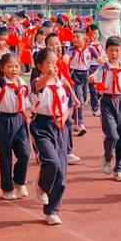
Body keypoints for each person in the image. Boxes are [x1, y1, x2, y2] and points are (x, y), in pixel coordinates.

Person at [29, 48, 70, 225]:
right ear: (40, 66)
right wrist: (47, 77)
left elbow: (69, 105)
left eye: (55, 62)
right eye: (49, 63)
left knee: (61, 172)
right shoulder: (37, 82)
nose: (53, 66)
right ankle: (41, 185)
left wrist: (64, 117)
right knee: (51, 162)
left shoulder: (62, 83)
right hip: (41, 125)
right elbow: (38, 87)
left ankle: (52, 211)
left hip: (59, 126)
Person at [89, 36, 121, 181]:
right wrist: (92, 78)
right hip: (107, 101)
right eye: (111, 50)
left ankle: (119, 168)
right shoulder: (103, 68)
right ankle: (107, 156)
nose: (114, 54)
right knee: (112, 135)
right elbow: (93, 77)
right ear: (106, 51)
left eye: (117, 50)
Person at [0, 53, 31, 200]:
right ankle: (7, 189)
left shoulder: (22, 83)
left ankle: (19, 181)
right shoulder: (1, 82)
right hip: (5, 121)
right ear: (2, 68)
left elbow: (27, 102)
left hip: (20, 119)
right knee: (5, 157)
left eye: (16, 66)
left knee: (25, 153)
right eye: (9, 66)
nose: (13, 69)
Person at [45, 33, 81, 165]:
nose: (57, 46)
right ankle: (48, 150)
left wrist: (74, 96)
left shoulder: (61, 62)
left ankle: (68, 151)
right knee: (54, 124)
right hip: (50, 99)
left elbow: (66, 80)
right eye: (53, 44)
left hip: (64, 97)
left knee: (68, 123)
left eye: (58, 43)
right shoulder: (45, 63)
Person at [66, 29, 101, 136]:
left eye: (77, 37)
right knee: (80, 99)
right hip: (74, 75)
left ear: (85, 39)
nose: (75, 39)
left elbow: (100, 61)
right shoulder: (71, 49)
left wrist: (95, 73)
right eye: (73, 37)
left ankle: (73, 117)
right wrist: (65, 58)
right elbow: (67, 56)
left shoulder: (91, 49)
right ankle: (80, 124)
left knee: (84, 99)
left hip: (86, 75)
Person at [87, 24, 107, 117]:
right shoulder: (88, 46)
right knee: (94, 89)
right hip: (92, 68)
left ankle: (93, 101)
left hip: (101, 68)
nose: (96, 35)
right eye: (94, 34)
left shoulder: (100, 45)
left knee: (102, 90)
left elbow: (104, 57)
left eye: (97, 34)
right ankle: (95, 108)